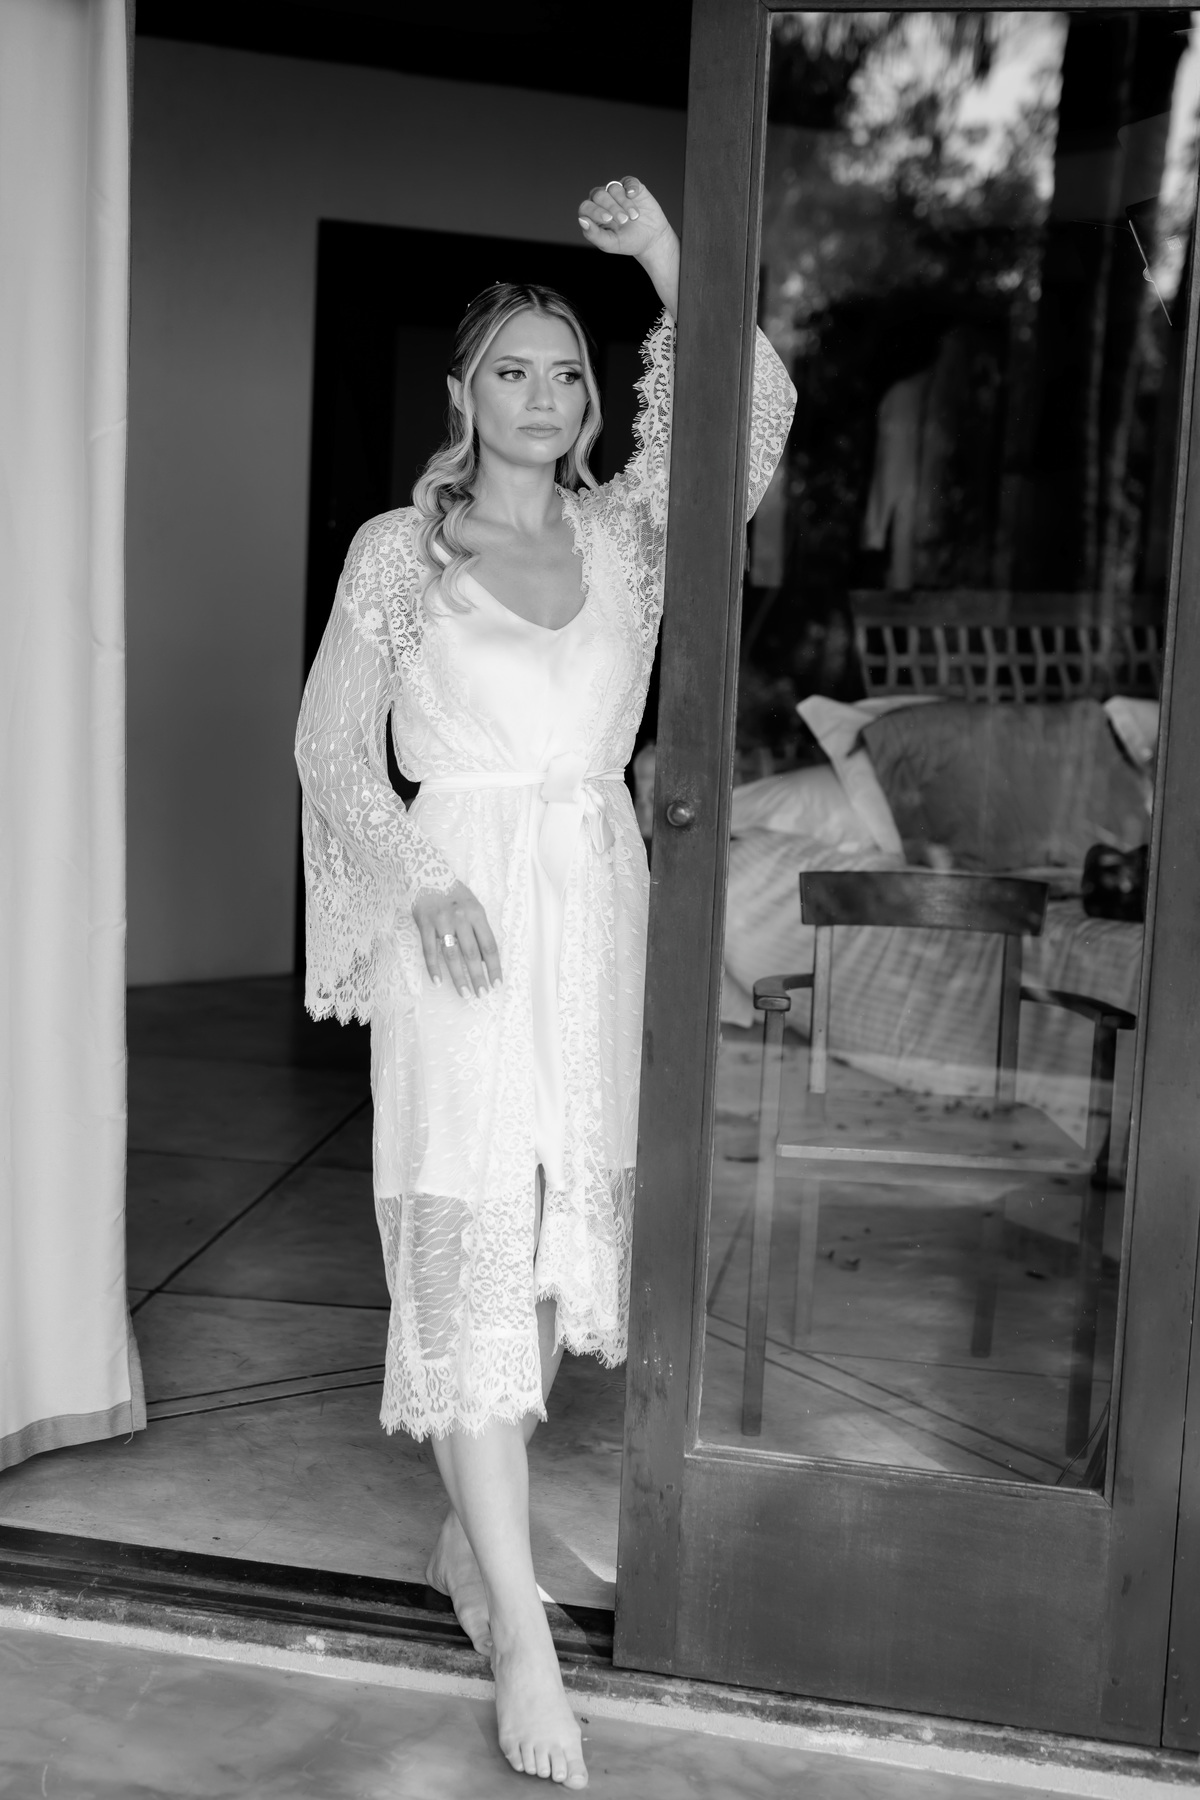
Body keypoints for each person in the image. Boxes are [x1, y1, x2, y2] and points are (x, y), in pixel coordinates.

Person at [295, 177, 795, 1788]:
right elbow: (329, 749)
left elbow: (749, 417)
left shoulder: (630, 535)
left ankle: (475, 1537)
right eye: (511, 369)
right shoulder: (398, 551)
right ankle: (518, 1624)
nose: (544, 395)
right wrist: (420, 877)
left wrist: (665, 259)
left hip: (595, 909)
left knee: (547, 1249)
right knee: (466, 1234)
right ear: (462, 394)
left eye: (568, 372)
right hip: (459, 918)